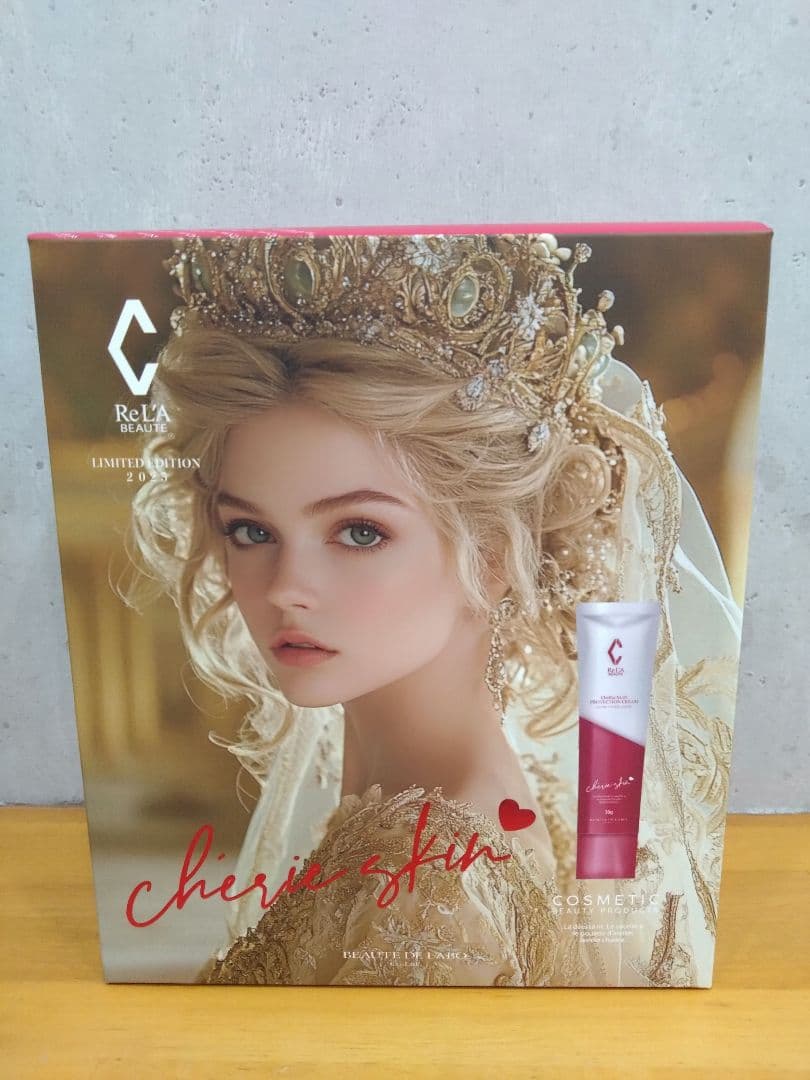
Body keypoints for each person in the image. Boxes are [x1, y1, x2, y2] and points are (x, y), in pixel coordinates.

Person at [128, 232, 741, 986]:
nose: (285, 586)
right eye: (251, 531)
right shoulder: (437, 812)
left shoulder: (435, 888)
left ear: (493, 553)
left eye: (360, 532)